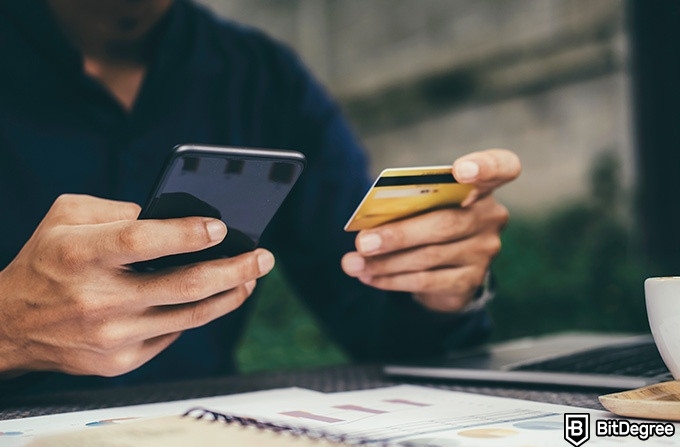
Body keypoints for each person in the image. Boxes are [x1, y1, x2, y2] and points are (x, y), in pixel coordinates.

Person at [0, 0, 521, 392]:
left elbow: (377, 320)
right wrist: (9, 331)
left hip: (203, 430)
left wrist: (440, 283)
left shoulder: (262, 77)